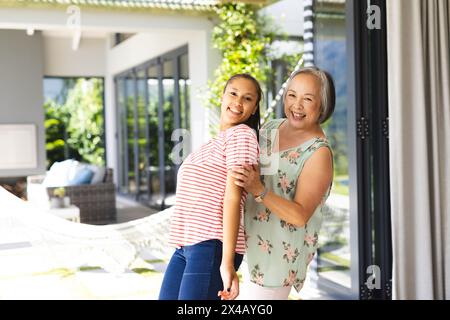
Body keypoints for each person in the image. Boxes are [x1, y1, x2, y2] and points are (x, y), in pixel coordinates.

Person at [231, 67, 335, 300]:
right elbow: (255, 175)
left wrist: (258, 189)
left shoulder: (318, 153)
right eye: (292, 95)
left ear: (322, 105)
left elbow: (299, 216)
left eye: (307, 99)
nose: (297, 105)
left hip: (275, 259)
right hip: (243, 245)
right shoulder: (271, 129)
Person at [158, 74, 262, 300]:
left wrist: (226, 262)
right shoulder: (214, 143)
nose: (237, 102)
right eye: (233, 93)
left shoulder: (242, 135)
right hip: (186, 245)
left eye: (247, 98)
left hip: (211, 245)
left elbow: (233, 198)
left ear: (254, 109)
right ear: (223, 96)